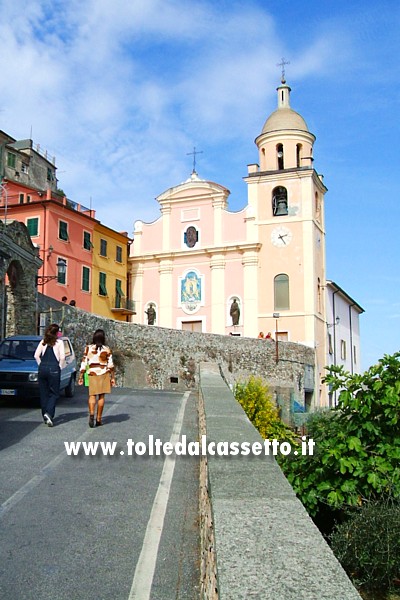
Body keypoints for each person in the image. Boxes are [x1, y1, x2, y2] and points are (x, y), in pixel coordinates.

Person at [78, 329, 115, 427]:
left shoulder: (88, 348)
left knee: (92, 396)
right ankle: (98, 419)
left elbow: (84, 362)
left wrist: (81, 375)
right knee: (101, 397)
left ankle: (91, 414)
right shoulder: (107, 349)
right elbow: (110, 365)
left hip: (92, 374)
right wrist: (112, 378)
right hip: (104, 374)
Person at [34, 323, 66, 427]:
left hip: (42, 369)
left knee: (44, 393)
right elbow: (62, 357)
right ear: (57, 333)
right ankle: (49, 413)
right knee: (54, 393)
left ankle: (44, 414)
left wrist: (41, 365)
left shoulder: (43, 342)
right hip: (54, 369)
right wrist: (59, 367)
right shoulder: (59, 343)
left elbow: (36, 355)